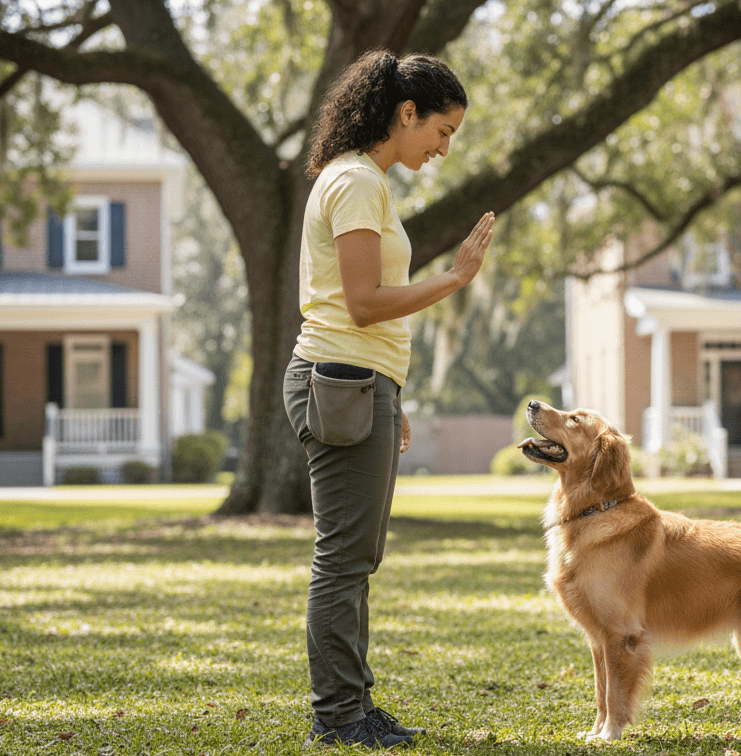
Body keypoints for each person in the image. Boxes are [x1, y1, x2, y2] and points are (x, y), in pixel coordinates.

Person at [282, 49, 494, 749]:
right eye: (442, 131)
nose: (442, 148)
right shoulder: (355, 182)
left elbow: (361, 317)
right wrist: (456, 278)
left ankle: (353, 707)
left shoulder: (362, 180)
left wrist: (390, 393)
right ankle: (338, 718)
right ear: (406, 113)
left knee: (356, 556)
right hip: (341, 379)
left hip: (361, 381)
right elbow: (364, 303)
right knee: (343, 556)